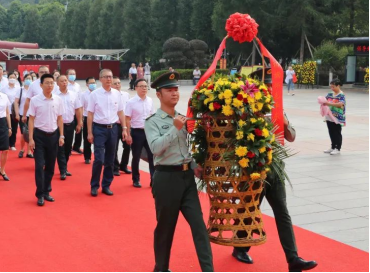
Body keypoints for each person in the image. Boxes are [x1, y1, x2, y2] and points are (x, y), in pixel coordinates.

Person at [232, 73, 318, 272]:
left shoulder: (278, 109)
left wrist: (286, 126)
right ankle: (240, 246)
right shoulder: (247, 110)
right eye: (268, 87)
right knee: (250, 209)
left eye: (274, 87)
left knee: (282, 211)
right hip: (253, 168)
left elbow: (292, 136)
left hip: (275, 168)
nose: (271, 90)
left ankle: (293, 258)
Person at [145, 71, 214, 273]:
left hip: (186, 179)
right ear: (159, 94)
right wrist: (174, 128)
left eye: (176, 89)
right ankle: (161, 268)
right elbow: (156, 149)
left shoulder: (182, 118)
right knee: (165, 228)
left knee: (200, 227)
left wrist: (194, 166)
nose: (174, 93)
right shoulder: (153, 121)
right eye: (169, 90)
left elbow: (184, 150)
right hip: (166, 179)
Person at [87, 69, 128, 197]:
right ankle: (94, 185)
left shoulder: (117, 94)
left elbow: (121, 112)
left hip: (113, 128)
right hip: (99, 129)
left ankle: (106, 185)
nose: (109, 79)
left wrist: (125, 128)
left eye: (110, 77)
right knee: (99, 159)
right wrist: (89, 132)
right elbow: (90, 114)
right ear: (100, 79)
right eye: (106, 77)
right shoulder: (94, 94)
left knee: (110, 159)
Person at [28, 74, 65, 207]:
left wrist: (61, 136)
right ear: (41, 85)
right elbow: (31, 119)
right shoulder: (35, 100)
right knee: (39, 166)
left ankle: (47, 191)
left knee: (50, 165)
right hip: (39, 136)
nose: (50, 85)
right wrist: (31, 138)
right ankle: (40, 194)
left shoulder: (58, 100)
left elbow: (60, 118)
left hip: (54, 135)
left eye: (51, 83)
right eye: (47, 83)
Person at [125, 78, 155, 188]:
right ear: (136, 88)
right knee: (136, 156)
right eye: (141, 86)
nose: (144, 88)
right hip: (136, 132)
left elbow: (152, 116)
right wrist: (128, 134)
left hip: (149, 132)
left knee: (152, 156)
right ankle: (136, 179)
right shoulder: (131, 102)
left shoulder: (150, 100)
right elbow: (127, 119)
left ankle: (153, 179)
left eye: (146, 86)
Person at [55, 75, 83, 180]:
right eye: (62, 81)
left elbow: (78, 109)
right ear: (57, 83)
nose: (64, 83)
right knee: (60, 148)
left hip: (70, 124)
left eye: (65, 81)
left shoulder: (73, 95)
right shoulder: (54, 95)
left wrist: (79, 122)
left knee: (68, 148)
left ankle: (64, 166)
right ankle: (63, 170)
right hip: (57, 126)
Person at [111, 76, 132, 177]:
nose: (117, 85)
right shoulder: (109, 96)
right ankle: (115, 167)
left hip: (125, 125)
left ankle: (124, 165)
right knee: (113, 147)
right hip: (114, 125)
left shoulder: (126, 95)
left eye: (119, 83)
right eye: (115, 83)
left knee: (127, 146)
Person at [324, 79, 347, 156]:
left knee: (337, 132)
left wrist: (329, 104)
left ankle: (337, 148)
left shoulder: (341, 95)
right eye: (331, 87)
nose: (332, 88)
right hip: (329, 116)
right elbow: (324, 100)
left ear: (338, 85)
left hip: (337, 117)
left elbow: (340, 104)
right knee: (331, 131)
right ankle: (333, 146)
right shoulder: (330, 94)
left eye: (333, 87)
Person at [2, 72, 21, 151]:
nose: (12, 79)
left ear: (16, 79)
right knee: (6, 127)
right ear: (8, 78)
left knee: (14, 127)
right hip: (6, 110)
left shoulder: (18, 88)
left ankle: (12, 144)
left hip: (15, 111)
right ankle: (6, 143)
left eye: (14, 77)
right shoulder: (4, 88)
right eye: (11, 77)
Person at [16, 74, 34, 159]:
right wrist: (17, 113)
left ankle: (29, 151)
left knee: (31, 133)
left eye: (30, 79)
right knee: (24, 133)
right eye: (27, 78)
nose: (28, 80)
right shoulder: (20, 90)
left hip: (33, 114)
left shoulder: (34, 90)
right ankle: (22, 149)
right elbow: (16, 102)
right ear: (24, 80)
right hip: (23, 114)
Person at [66, 69, 83, 154]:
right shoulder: (65, 85)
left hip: (77, 110)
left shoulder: (78, 86)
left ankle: (76, 146)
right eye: (70, 74)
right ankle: (67, 148)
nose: (72, 75)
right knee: (68, 132)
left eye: (74, 74)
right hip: (68, 111)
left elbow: (80, 99)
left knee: (79, 129)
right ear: (67, 76)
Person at [81, 77, 97, 164]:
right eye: (91, 83)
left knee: (98, 138)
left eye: (94, 83)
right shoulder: (84, 95)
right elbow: (81, 107)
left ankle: (98, 157)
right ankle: (87, 156)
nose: (93, 84)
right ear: (87, 84)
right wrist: (81, 119)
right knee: (87, 137)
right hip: (87, 118)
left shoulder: (99, 93)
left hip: (97, 118)